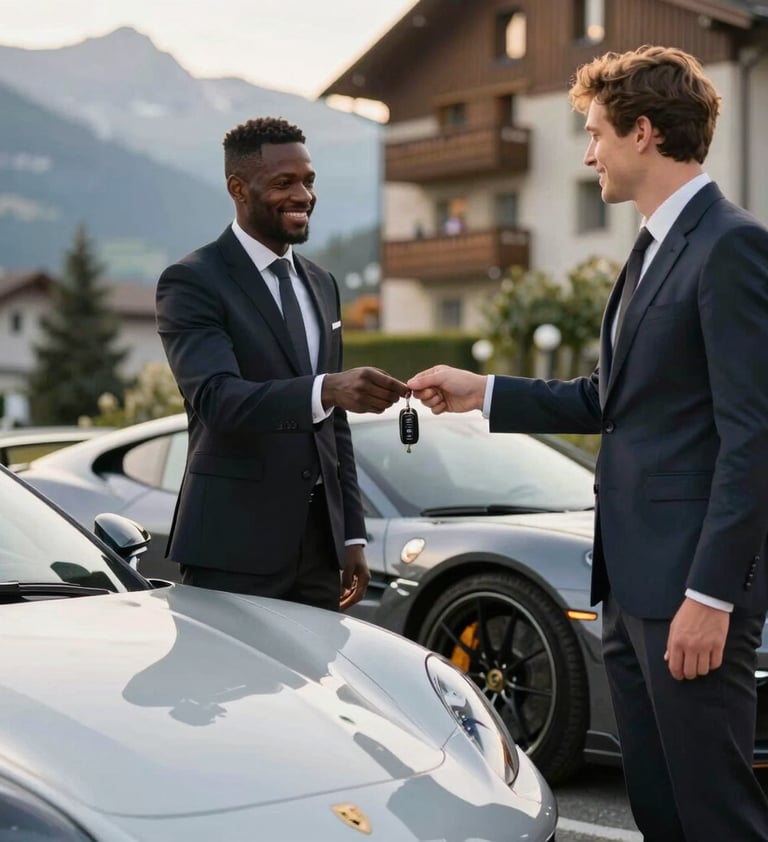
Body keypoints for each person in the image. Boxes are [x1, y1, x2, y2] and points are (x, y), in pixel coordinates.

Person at [408, 45, 768, 841]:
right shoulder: (646, 252)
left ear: (644, 133)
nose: (588, 152)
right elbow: (612, 400)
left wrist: (711, 597)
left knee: (717, 817)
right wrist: (485, 391)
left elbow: (754, 439)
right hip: (629, 585)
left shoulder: (730, 246)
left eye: (597, 133)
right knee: (663, 813)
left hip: (689, 595)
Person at [156, 116, 408, 612]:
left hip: (318, 550)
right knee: (228, 686)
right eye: (284, 183)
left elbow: (332, 426)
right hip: (230, 547)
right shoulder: (192, 281)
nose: (303, 195)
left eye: (308, 181)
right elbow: (217, 399)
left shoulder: (322, 283)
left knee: (310, 690)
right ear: (237, 187)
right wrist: (327, 389)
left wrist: (351, 536)